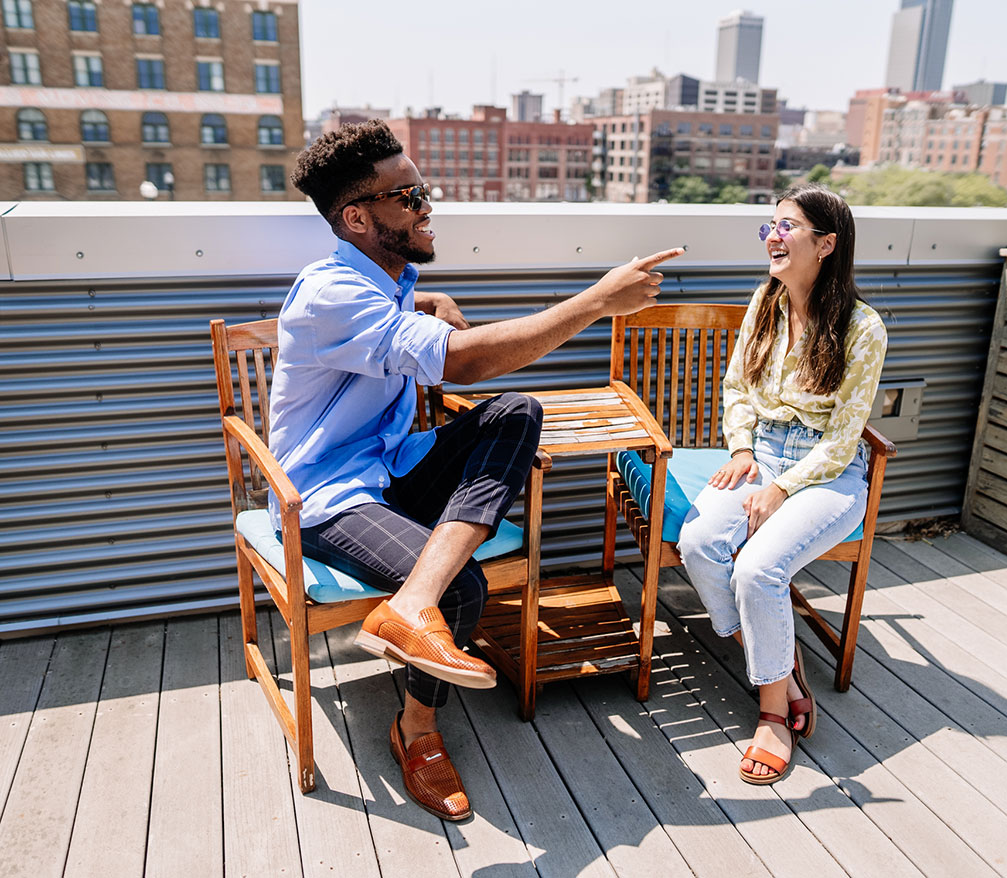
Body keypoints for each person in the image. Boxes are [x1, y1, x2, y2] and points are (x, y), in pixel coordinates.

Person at [272, 120, 682, 820]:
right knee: (462, 586)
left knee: (516, 411)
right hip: (327, 494)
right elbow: (461, 361)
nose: (428, 205)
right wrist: (594, 303)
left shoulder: (386, 278)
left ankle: (409, 607)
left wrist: (425, 300)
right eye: (410, 196)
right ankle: (417, 729)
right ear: (358, 218)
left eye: (423, 189)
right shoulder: (331, 294)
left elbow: (415, 327)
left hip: (392, 465)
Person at [676, 183, 886, 785]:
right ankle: (775, 661)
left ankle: (771, 710)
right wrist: (743, 448)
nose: (772, 236)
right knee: (699, 544)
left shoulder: (862, 327)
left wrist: (782, 487)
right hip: (760, 455)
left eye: (786, 227)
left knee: (757, 571)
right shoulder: (765, 301)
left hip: (828, 476)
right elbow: (737, 387)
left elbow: (845, 440)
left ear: (825, 244)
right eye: (769, 226)